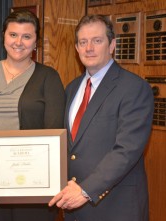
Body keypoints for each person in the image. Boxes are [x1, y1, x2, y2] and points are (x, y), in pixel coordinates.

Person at [48, 14, 154, 221]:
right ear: (77, 48)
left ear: (112, 44)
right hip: (74, 207)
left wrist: (86, 190)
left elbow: (127, 150)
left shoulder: (134, 88)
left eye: (97, 41)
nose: (89, 48)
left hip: (115, 207)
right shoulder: (71, 89)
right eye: (83, 42)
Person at [0, 10, 65, 221]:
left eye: (27, 36)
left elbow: (54, 132)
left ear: (36, 42)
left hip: (34, 185)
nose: (19, 42)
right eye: (13, 35)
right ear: (3, 37)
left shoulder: (49, 78)